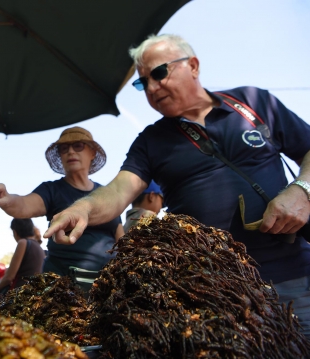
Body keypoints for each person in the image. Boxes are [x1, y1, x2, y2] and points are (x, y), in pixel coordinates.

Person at [45, 34, 310, 336]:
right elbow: (119, 191)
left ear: (193, 65)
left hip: (294, 280)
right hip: (211, 296)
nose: (153, 88)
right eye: (143, 82)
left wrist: (302, 189)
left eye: (159, 73)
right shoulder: (150, 141)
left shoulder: (253, 103)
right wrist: (82, 207)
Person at [0, 127, 124, 276]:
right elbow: (24, 205)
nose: (71, 151)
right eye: (64, 148)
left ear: (92, 153)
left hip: (107, 282)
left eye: (78, 145)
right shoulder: (51, 190)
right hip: (63, 283)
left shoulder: (106, 194)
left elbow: (122, 240)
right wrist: (8, 199)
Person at [0, 219, 45, 292]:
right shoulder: (39, 248)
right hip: (32, 294)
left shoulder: (23, 243)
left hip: (18, 294)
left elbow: (9, 278)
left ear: (15, 232)